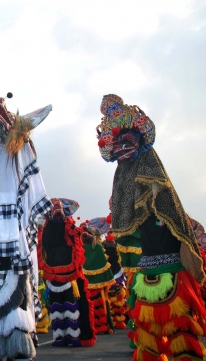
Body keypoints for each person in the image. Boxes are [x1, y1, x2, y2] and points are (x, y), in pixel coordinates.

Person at [96, 94, 206, 360]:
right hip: (147, 266)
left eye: (128, 142)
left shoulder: (157, 184)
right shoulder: (127, 192)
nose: (122, 150)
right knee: (149, 333)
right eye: (117, 144)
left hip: (171, 267)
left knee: (179, 328)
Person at [0, 94, 52, 361]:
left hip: (15, 233)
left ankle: (19, 343)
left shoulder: (22, 150)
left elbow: (33, 185)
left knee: (18, 285)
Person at [37, 198, 96, 347]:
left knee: (70, 304)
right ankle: (60, 336)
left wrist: (84, 235)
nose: (57, 212)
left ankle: (73, 335)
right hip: (53, 273)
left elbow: (77, 241)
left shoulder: (69, 227)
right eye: (55, 210)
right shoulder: (46, 229)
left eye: (60, 210)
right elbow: (42, 246)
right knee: (56, 305)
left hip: (68, 274)